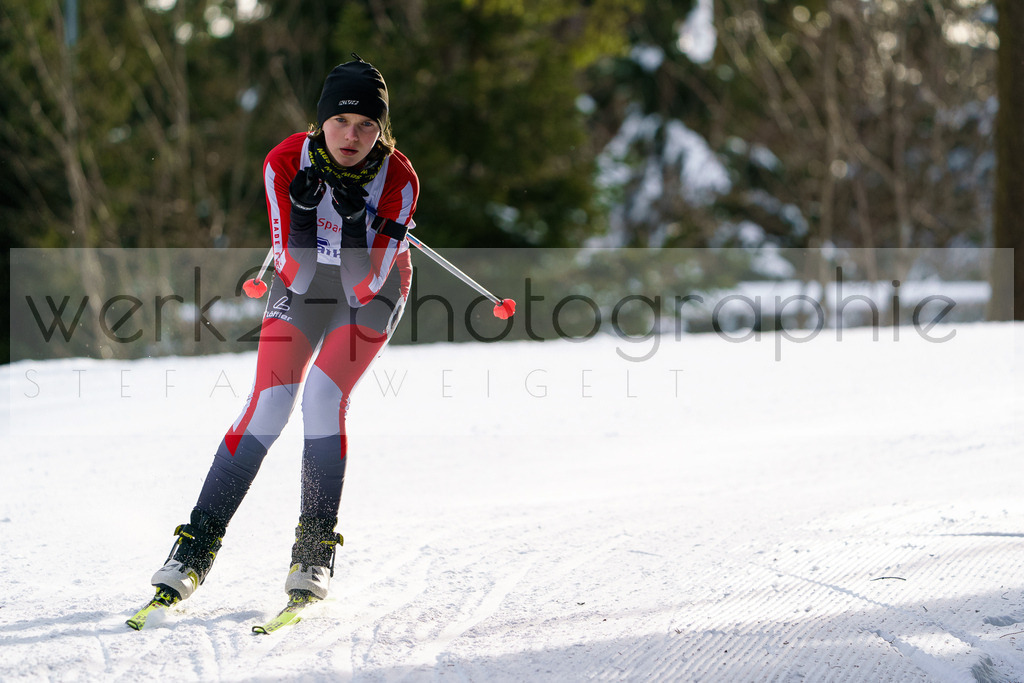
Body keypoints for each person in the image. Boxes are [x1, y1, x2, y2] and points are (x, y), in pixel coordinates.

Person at [149, 54, 418, 604]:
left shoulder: (400, 179)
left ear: (381, 129)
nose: (352, 136)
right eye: (340, 121)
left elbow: (364, 286)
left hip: (371, 290)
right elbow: (292, 274)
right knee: (269, 403)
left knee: (322, 396)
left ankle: (315, 548)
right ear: (320, 121)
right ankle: (195, 546)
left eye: (367, 124)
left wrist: (347, 225)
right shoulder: (284, 161)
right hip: (301, 282)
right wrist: (302, 218)